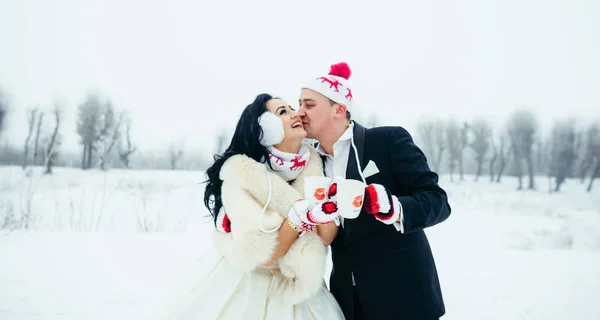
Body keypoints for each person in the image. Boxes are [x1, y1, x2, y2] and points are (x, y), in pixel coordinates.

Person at [157, 93, 345, 320]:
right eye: (282, 112)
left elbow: (325, 237)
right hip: (247, 285)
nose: (295, 114)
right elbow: (262, 253)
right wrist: (299, 218)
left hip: (301, 288)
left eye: (290, 108)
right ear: (265, 129)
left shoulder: (314, 168)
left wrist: (327, 209)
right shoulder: (242, 175)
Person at [297, 62, 452, 320]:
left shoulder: (388, 140)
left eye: (309, 105)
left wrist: (394, 208)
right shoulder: (310, 161)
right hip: (348, 302)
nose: (299, 112)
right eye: (299, 103)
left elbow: (438, 201)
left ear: (339, 109)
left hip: (405, 298)